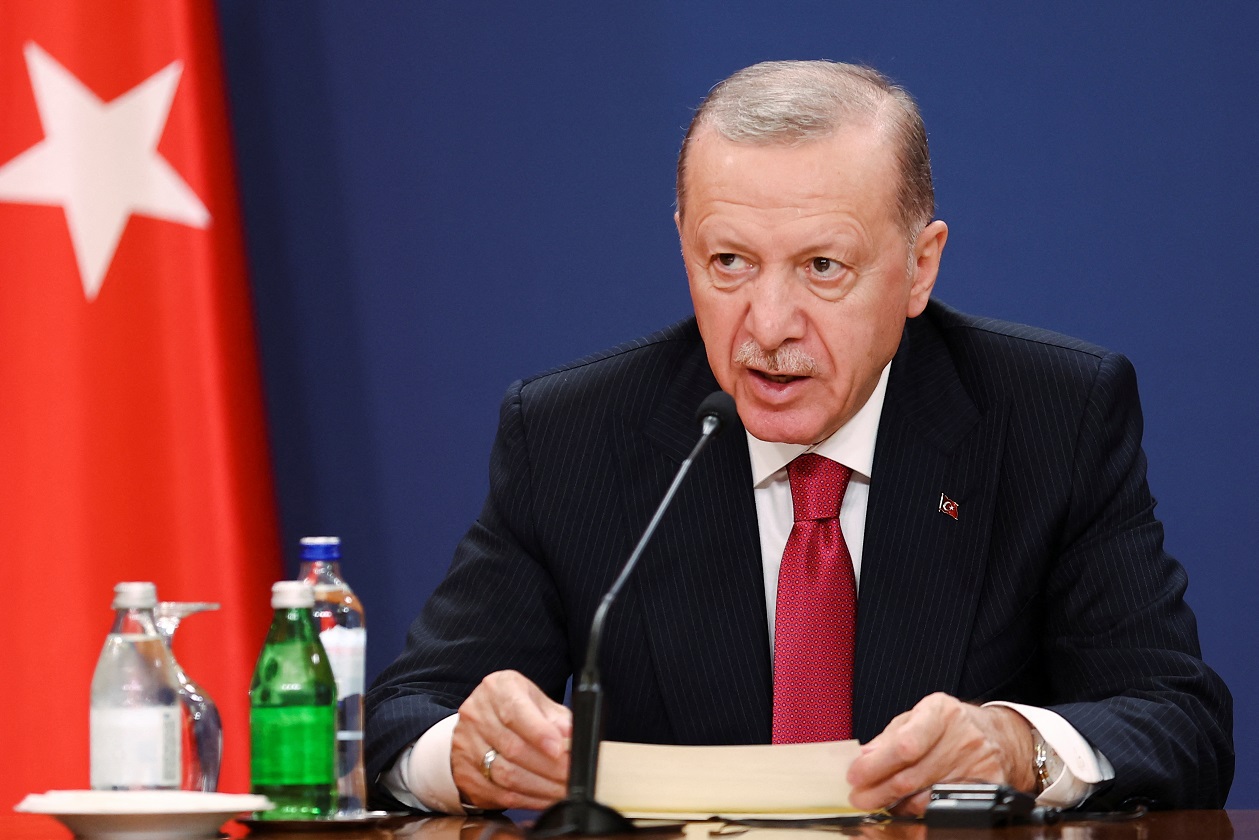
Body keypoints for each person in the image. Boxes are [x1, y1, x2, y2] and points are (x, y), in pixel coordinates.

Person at [364, 60, 1233, 816]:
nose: (767, 325)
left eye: (823, 267)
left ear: (918, 266)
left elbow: (1177, 720)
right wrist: (472, 753)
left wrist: (1015, 747)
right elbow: (404, 723)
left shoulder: (1051, 416)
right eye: (729, 263)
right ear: (683, 247)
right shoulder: (573, 435)